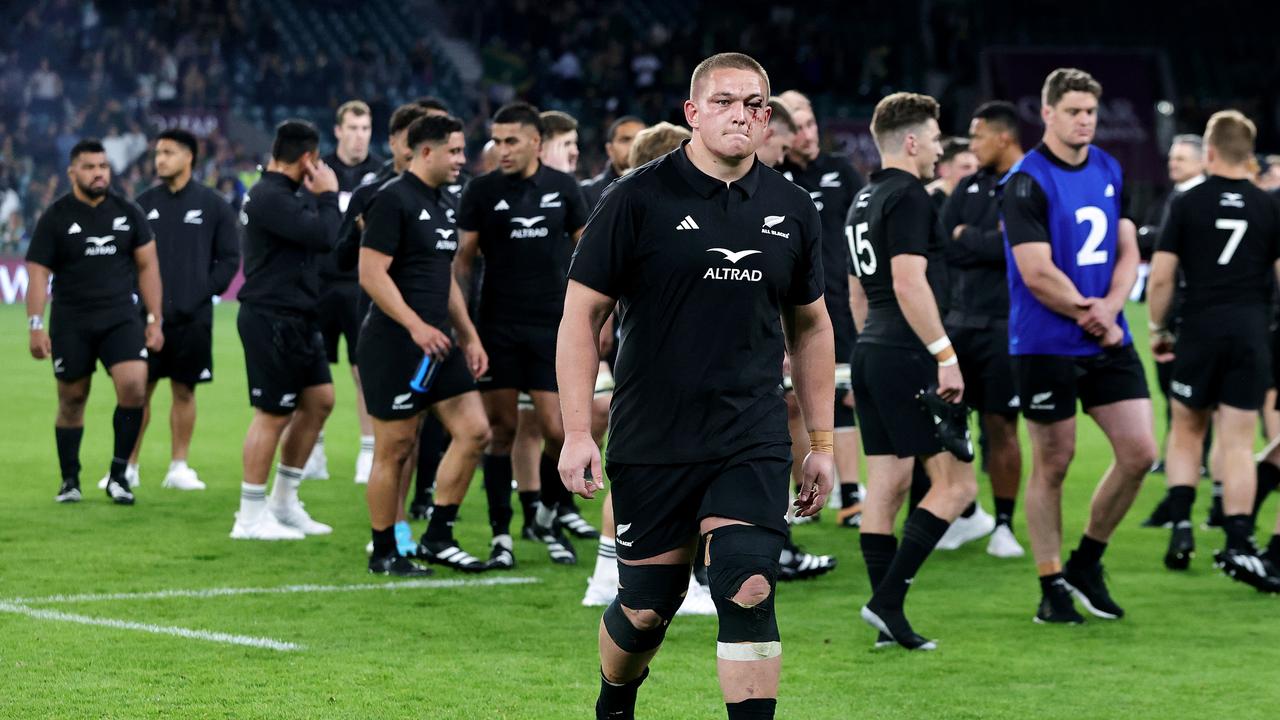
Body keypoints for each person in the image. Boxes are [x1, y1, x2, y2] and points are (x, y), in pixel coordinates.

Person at [559, 52, 834, 720]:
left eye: (754, 104)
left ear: (768, 117)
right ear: (692, 113)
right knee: (649, 605)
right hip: (652, 435)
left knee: (748, 586)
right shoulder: (635, 197)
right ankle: (614, 703)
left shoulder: (792, 207)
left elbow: (813, 327)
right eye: (725, 102)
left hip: (749, 433)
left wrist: (820, 439)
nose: (742, 115)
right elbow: (579, 316)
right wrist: (574, 432)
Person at [1001, 68, 1158, 623]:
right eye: (1073, 111)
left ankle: (1088, 560)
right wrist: (1091, 314)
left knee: (1141, 453)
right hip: (1045, 342)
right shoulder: (1025, 179)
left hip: (1107, 336)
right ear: (1047, 113)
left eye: (1090, 111)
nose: (1084, 120)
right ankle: (1051, 585)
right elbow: (1036, 272)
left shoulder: (1111, 168)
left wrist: (1111, 310)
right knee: (1054, 463)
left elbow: (1128, 249)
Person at [846, 92, 978, 650]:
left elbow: (857, 288)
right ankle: (887, 601)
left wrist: (869, 345)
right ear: (912, 140)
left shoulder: (864, 197)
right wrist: (943, 353)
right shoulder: (910, 196)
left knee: (888, 482)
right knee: (956, 484)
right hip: (908, 352)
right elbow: (908, 281)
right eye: (937, 136)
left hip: (872, 349)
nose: (941, 149)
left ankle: (886, 624)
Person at [579, 120, 715, 616]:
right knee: (662, 478)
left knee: (639, 477)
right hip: (663, 372)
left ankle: (605, 575)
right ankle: (677, 581)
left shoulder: (635, 212)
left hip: (645, 369)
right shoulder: (656, 213)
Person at [1146, 110, 1280, 592]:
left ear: (1210, 150)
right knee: (1239, 440)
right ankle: (1239, 539)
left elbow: (1161, 276)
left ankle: (1181, 527)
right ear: (1249, 152)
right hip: (1249, 330)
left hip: (1199, 326)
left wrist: (1157, 326)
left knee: (1186, 429)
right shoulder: (1269, 206)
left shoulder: (1186, 202)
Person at [455, 102, 590, 566]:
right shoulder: (480, 190)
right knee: (502, 431)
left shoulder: (564, 188)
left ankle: (547, 517)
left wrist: (600, 317)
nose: (502, 148)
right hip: (497, 326)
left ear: (536, 141)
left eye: (511, 140)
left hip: (552, 328)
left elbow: (588, 255)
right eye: (497, 140)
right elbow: (463, 262)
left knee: (558, 430)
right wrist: (465, 327)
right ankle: (501, 535)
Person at [359, 114, 494, 575]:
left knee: (476, 431)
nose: (462, 159)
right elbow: (371, 274)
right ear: (426, 152)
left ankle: (438, 534)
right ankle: (383, 551)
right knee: (395, 448)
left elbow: (447, 280)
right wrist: (415, 326)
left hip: (439, 342)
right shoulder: (391, 199)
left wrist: (469, 335)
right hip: (394, 344)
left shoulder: (444, 202)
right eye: (454, 151)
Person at [25, 138, 164, 505]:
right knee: (72, 398)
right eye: (89, 167)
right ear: (73, 172)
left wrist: (154, 318)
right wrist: (36, 324)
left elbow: (148, 266)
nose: (98, 173)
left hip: (120, 316)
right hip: (72, 320)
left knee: (134, 385)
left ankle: (119, 476)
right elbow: (38, 274)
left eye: (103, 166)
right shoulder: (55, 216)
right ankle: (69, 479)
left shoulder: (128, 212)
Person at [111, 128, 240, 492]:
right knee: (138, 391)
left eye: (168, 152)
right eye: (158, 153)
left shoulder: (214, 205)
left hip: (194, 317)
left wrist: (200, 292)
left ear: (189, 157)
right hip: (146, 317)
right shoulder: (142, 204)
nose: (160, 159)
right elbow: (127, 256)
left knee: (185, 391)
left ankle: (179, 466)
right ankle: (129, 466)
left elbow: (230, 259)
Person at [232, 119, 340, 541]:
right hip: (270, 317)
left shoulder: (285, 195)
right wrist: (329, 194)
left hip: (299, 315)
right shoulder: (267, 196)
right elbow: (324, 236)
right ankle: (249, 515)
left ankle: (283, 501)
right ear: (309, 158)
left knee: (319, 401)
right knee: (272, 414)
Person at [335, 102, 430, 554]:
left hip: (436, 331)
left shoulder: (447, 192)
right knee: (398, 437)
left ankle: (417, 515)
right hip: (387, 328)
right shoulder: (373, 191)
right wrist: (359, 232)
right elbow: (339, 258)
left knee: (425, 433)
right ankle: (393, 531)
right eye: (412, 137)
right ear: (395, 142)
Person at [935, 100, 1027, 558]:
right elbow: (944, 240)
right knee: (950, 424)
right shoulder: (968, 187)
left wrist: (968, 240)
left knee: (1001, 425)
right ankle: (964, 514)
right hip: (957, 324)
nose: (972, 146)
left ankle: (1005, 525)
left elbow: (1013, 249)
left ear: (1003, 137)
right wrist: (981, 241)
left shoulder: (1029, 186)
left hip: (1003, 326)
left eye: (978, 137)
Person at [778, 90, 867, 529]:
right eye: (797, 126)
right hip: (791, 308)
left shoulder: (841, 172)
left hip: (840, 304)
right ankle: (804, 491)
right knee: (794, 401)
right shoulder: (774, 179)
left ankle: (850, 495)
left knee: (843, 397)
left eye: (811, 123)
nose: (807, 133)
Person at [307, 100, 384, 484]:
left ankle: (367, 454)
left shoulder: (381, 174)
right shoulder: (317, 171)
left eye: (365, 128)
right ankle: (313, 451)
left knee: (362, 372)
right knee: (312, 372)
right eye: (352, 128)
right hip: (320, 284)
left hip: (360, 285)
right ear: (338, 131)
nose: (359, 136)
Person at [580, 115, 645, 209]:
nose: (634, 145)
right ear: (610, 149)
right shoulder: (586, 193)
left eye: (640, 139)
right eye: (625, 139)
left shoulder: (661, 189)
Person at [925, 137, 979, 208]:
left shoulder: (974, 199)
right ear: (944, 170)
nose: (975, 173)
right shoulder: (925, 201)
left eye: (978, 168)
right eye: (966, 167)